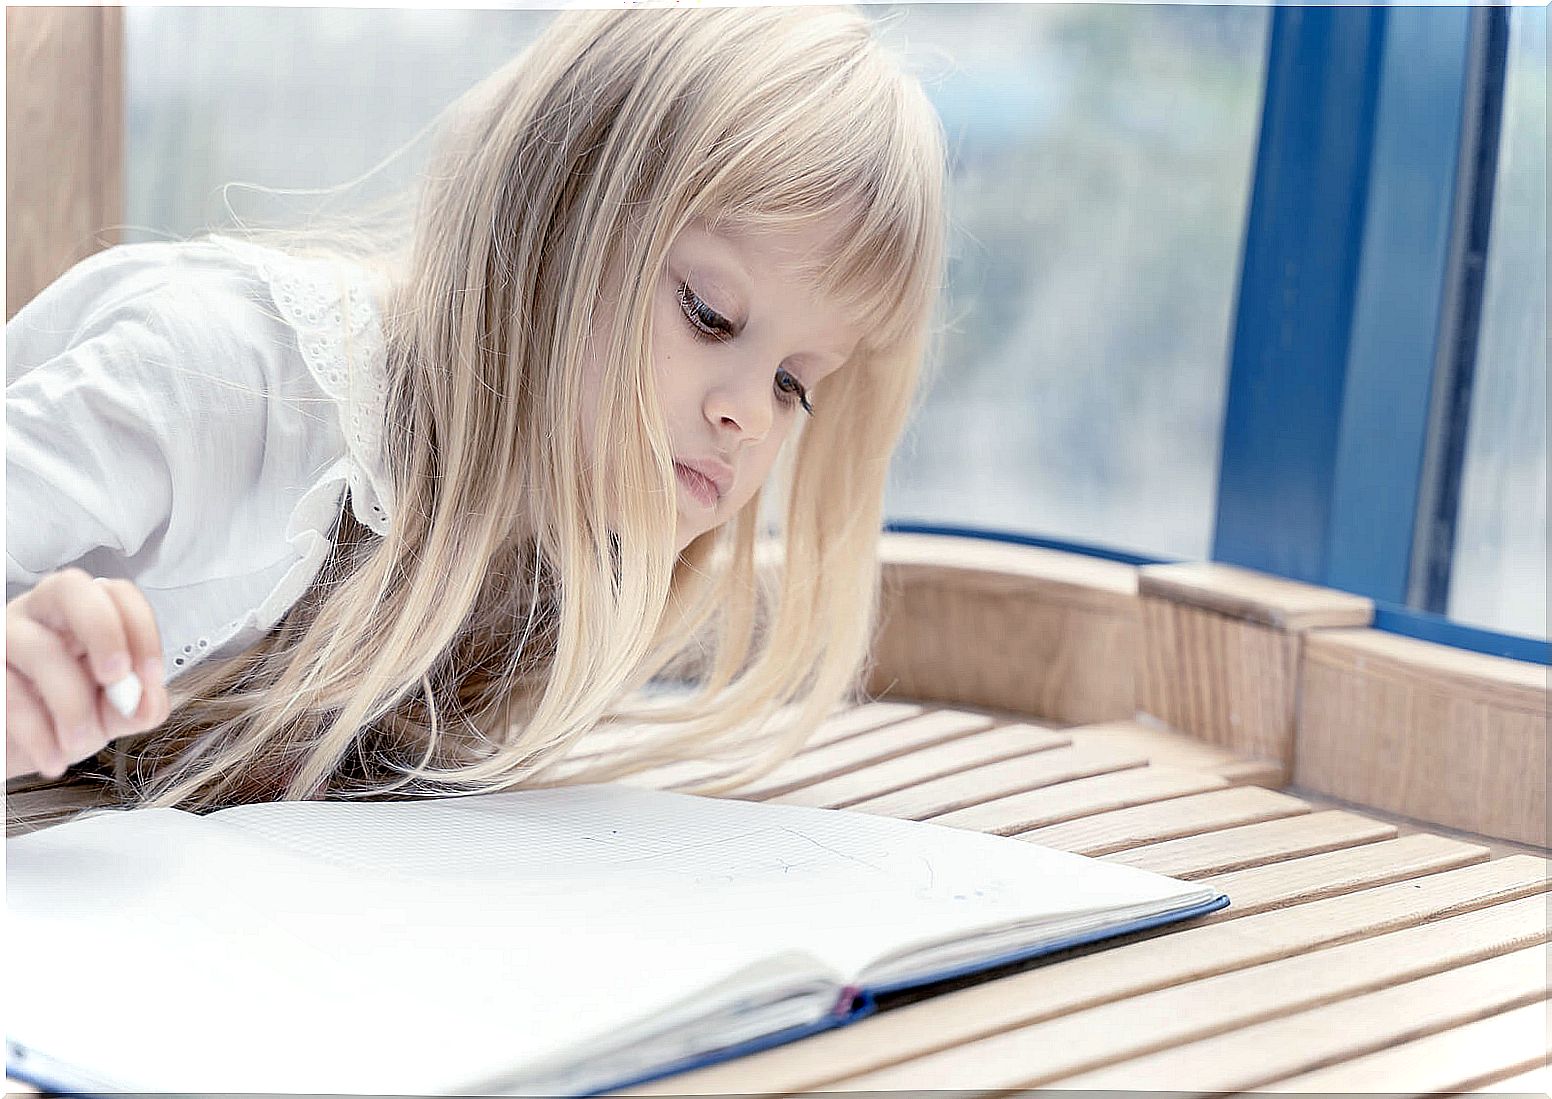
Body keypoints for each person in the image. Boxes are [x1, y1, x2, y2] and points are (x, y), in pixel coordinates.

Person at [4, 5, 947, 812]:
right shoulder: (219, 373)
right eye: (711, 314)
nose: (751, 413)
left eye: (795, 384)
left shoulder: (550, 573)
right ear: (550, 227)